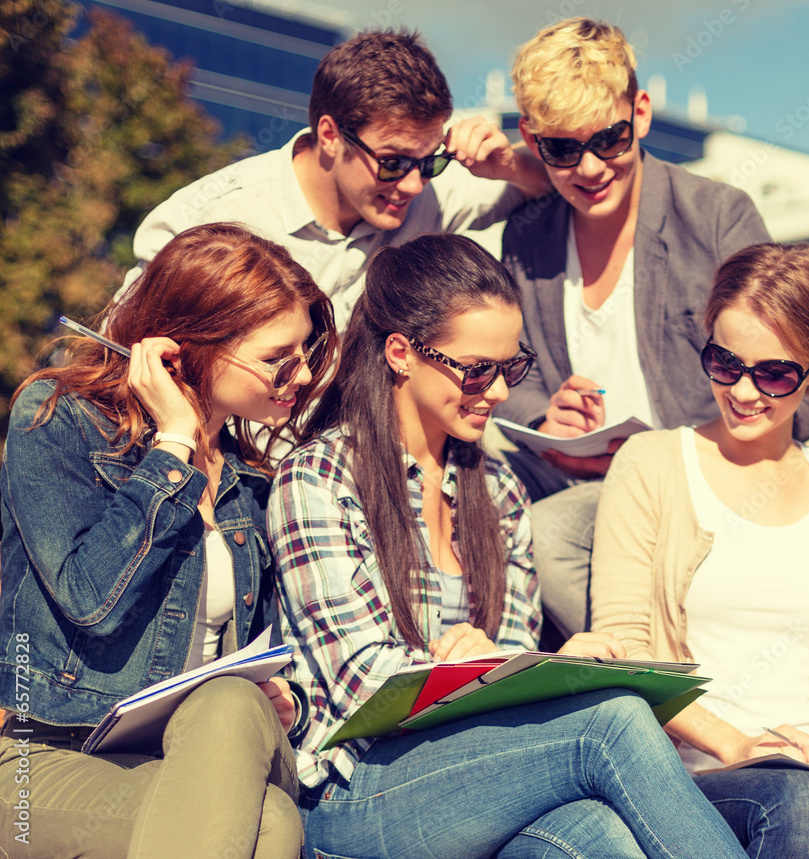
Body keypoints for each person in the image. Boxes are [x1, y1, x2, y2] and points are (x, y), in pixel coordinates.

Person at [267, 232, 752, 859]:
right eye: (476, 369)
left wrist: (549, 669)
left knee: (597, 837)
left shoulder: (496, 489)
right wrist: (476, 670)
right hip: (355, 796)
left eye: (510, 368)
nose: (497, 392)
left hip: (471, 779)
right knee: (614, 721)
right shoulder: (319, 479)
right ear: (400, 354)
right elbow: (362, 685)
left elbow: (512, 664)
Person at [590, 242, 809, 858]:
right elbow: (625, 651)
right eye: (725, 362)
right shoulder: (652, 465)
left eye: (774, 373)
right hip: (693, 771)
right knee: (796, 800)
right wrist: (734, 743)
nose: (744, 391)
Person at [492, 18, 809, 642]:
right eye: (562, 150)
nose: (590, 167)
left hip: (710, 489)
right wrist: (545, 416)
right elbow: (510, 369)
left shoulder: (716, 219)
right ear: (531, 139)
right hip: (581, 488)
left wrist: (682, 451)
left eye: (610, 140)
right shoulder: (527, 235)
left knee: (545, 536)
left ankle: (662, 690)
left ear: (641, 114)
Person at [0, 223, 338, 858]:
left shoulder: (249, 483)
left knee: (236, 703)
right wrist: (174, 445)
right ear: (184, 351)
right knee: (271, 826)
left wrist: (286, 700)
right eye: (277, 358)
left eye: (307, 354)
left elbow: (264, 649)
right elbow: (90, 602)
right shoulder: (56, 419)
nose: (300, 376)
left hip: (202, 750)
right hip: (43, 755)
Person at [115, 28, 550, 327]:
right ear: (330, 135)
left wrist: (509, 167)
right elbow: (119, 355)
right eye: (393, 163)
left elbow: (552, 185)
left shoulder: (425, 190)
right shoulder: (208, 220)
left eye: (430, 161)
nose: (415, 184)